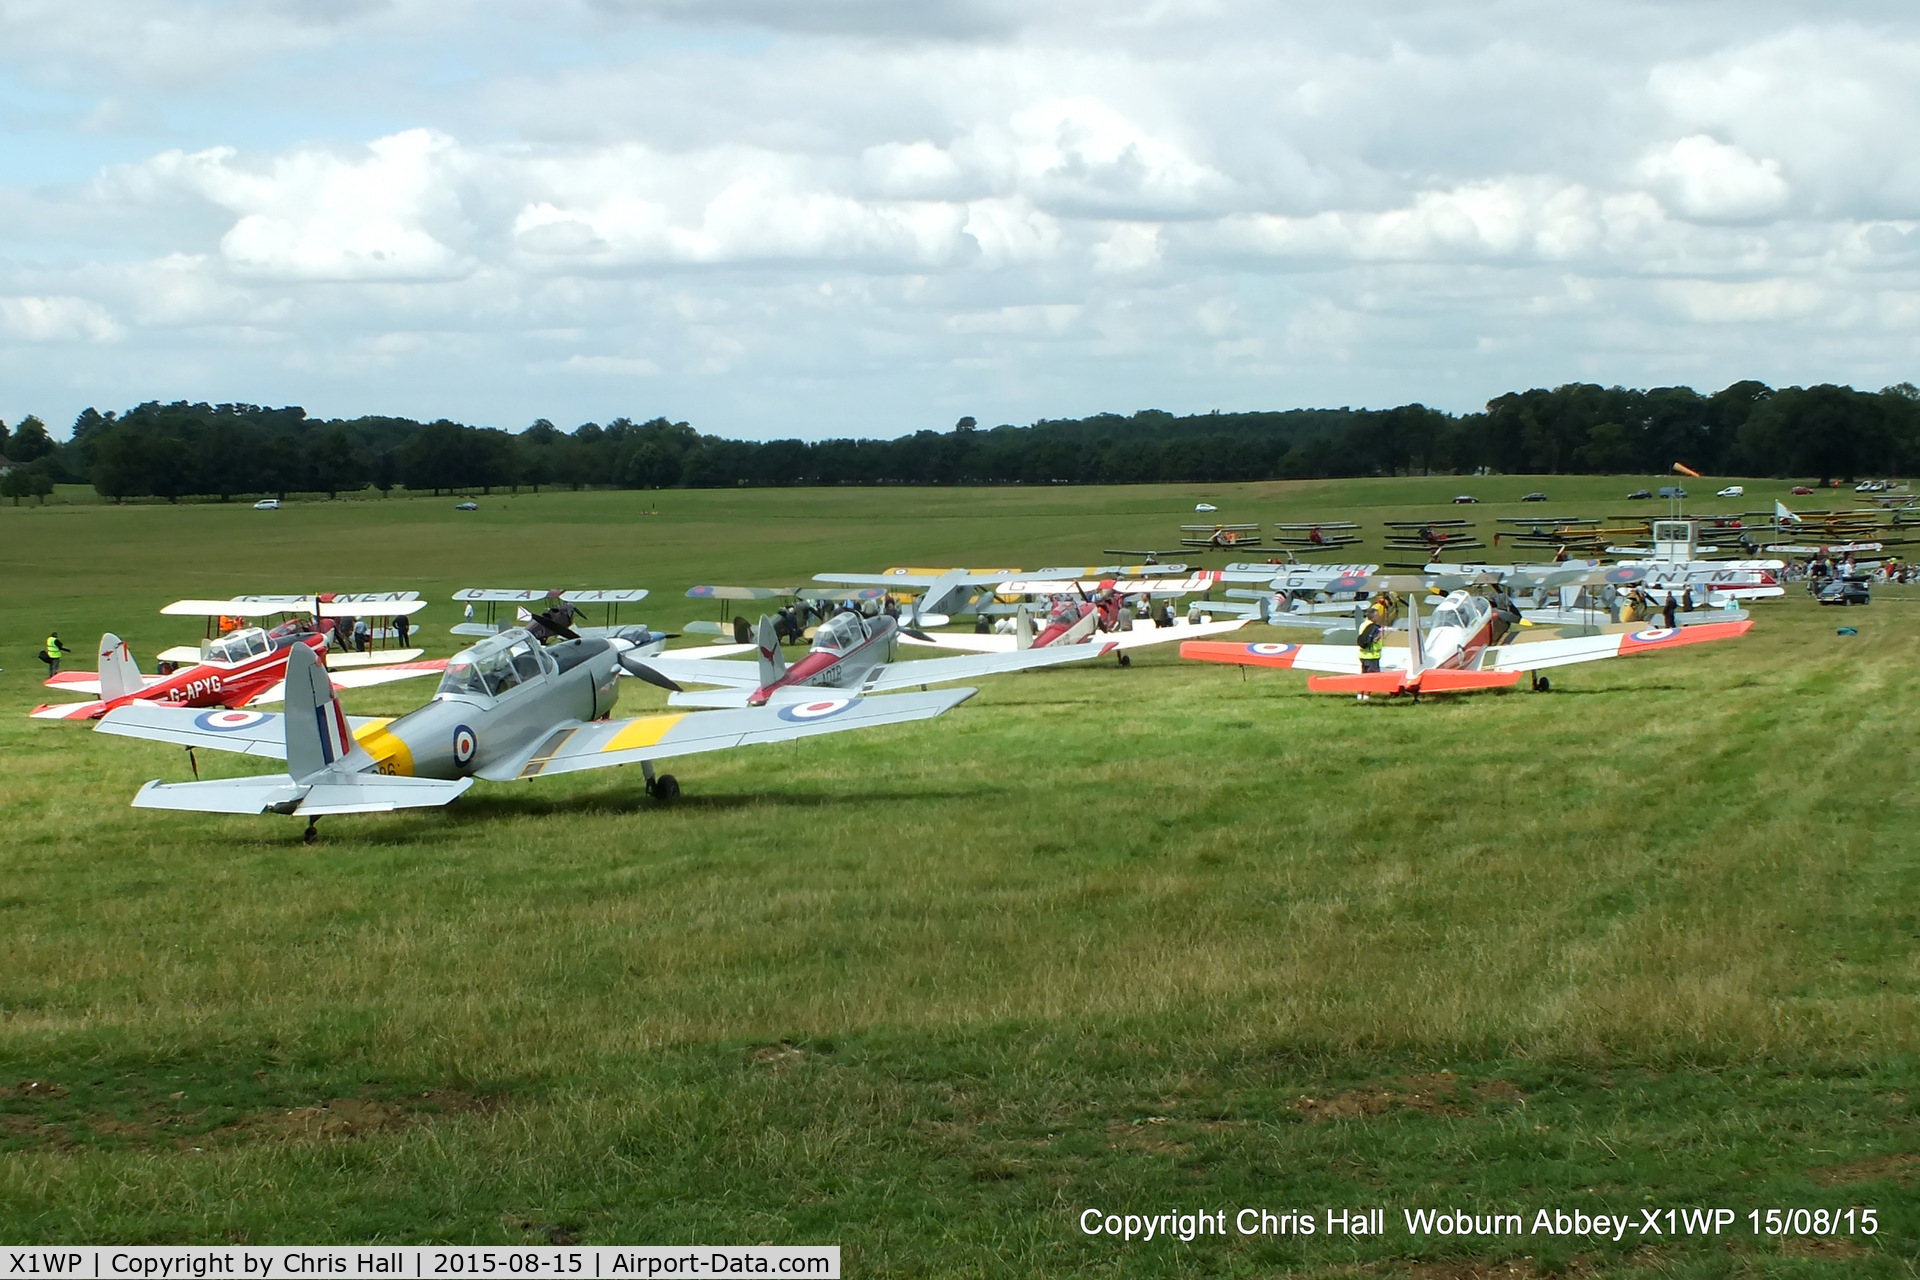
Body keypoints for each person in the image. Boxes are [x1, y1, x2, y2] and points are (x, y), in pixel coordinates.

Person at [1354, 616, 1384, 701]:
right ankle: (1366, 695)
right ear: (1374, 617)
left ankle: (1359, 694)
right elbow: (1375, 640)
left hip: (1363, 654)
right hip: (1372, 655)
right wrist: (1380, 635)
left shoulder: (1363, 625)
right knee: (1372, 676)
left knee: (1363, 675)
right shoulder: (1375, 627)